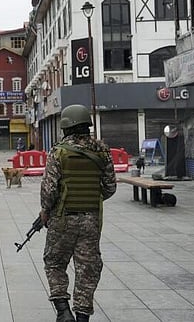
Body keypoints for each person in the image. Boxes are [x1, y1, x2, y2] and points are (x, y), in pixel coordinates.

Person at [39, 104, 117, 322]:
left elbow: (49, 189)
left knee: (54, 262)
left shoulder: (58, 151)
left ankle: (63, 311)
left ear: (66, 127)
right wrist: (91, 197)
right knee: (87, 268)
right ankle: (83, 316)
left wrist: (46, 210)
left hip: (62, 219)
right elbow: (110, 187)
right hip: (91, 220)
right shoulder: (102, 150)